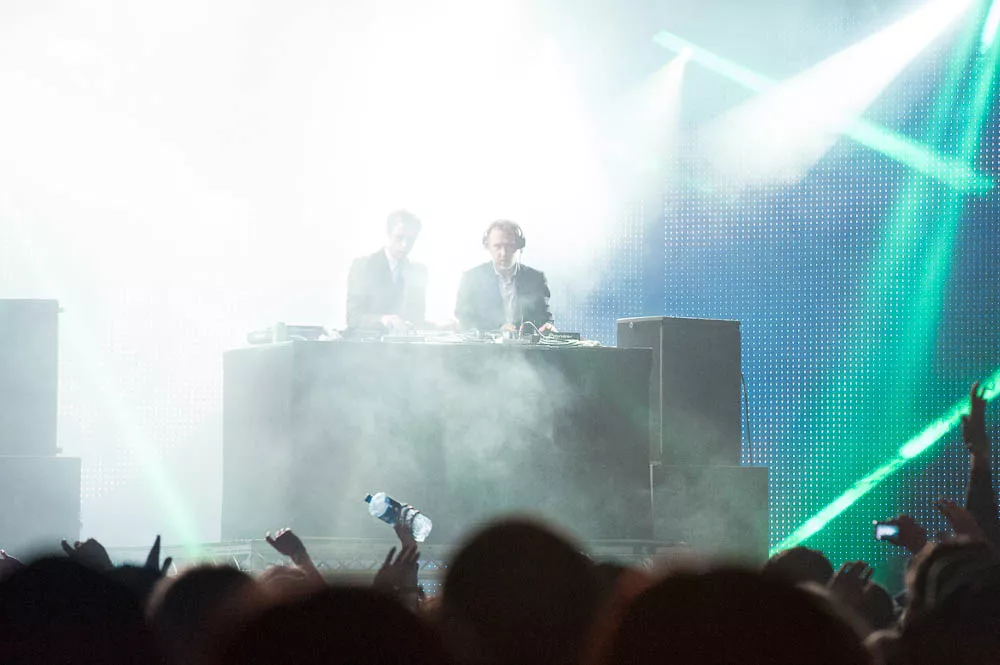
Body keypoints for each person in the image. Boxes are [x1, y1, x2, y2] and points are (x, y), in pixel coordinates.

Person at [455, 220, 554, 333]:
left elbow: (545, 318)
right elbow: (464, 322)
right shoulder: (471, 279)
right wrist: (496, 332)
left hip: (527, 344)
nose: (503, 253)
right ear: (488, 247)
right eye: (497, 246)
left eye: (509, 246)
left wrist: (548, 327)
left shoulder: (536, 279)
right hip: (486, 344)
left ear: (518, 246)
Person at [346, 210, 428, 332]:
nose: (405, 245)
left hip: (405, 343)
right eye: (399, 238)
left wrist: (441, 327)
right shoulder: (363, 267)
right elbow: (353, 318)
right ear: (388, 235)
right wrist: (382, 320)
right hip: (368, 342)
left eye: (410, 240)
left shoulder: (418, 272)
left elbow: (417, 321)